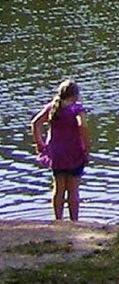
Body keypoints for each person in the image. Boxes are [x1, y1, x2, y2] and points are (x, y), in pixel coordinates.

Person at [31, 79, 90, 221]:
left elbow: (35, 123)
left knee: (58, 187)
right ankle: (74, 221)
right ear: (75, 95)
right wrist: (87, 147)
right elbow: (83, 126)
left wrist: (39, 143)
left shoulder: (52, 107)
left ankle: (58, 220)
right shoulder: (77, 109)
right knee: (73, 189)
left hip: (56, 152)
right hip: (74, 151)